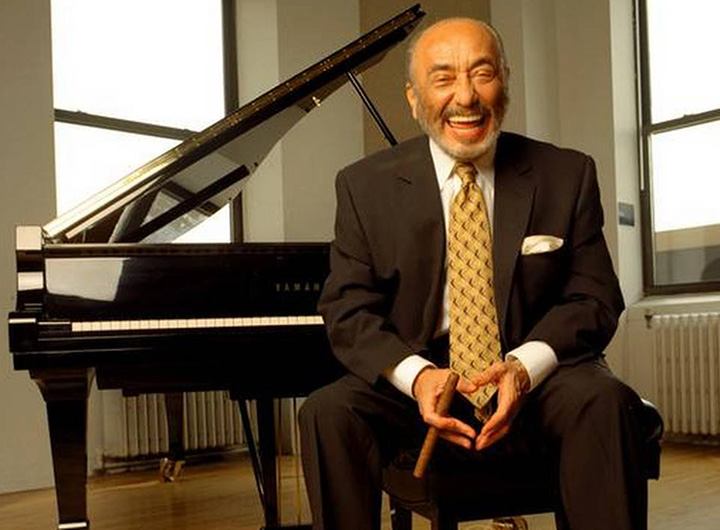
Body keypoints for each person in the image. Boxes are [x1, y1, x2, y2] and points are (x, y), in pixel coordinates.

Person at [299, 17, 647, 530]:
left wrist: (524, 367)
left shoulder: (566, 174)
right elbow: (347, 309)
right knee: (326, 412)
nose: (466, 96)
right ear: (415, 100)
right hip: (422, 378)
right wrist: (417, 379)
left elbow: (594, 298)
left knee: (605, 400)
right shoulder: (362, 187)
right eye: (443, 79)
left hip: (534, 374)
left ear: (504, 82)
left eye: (482, 73)